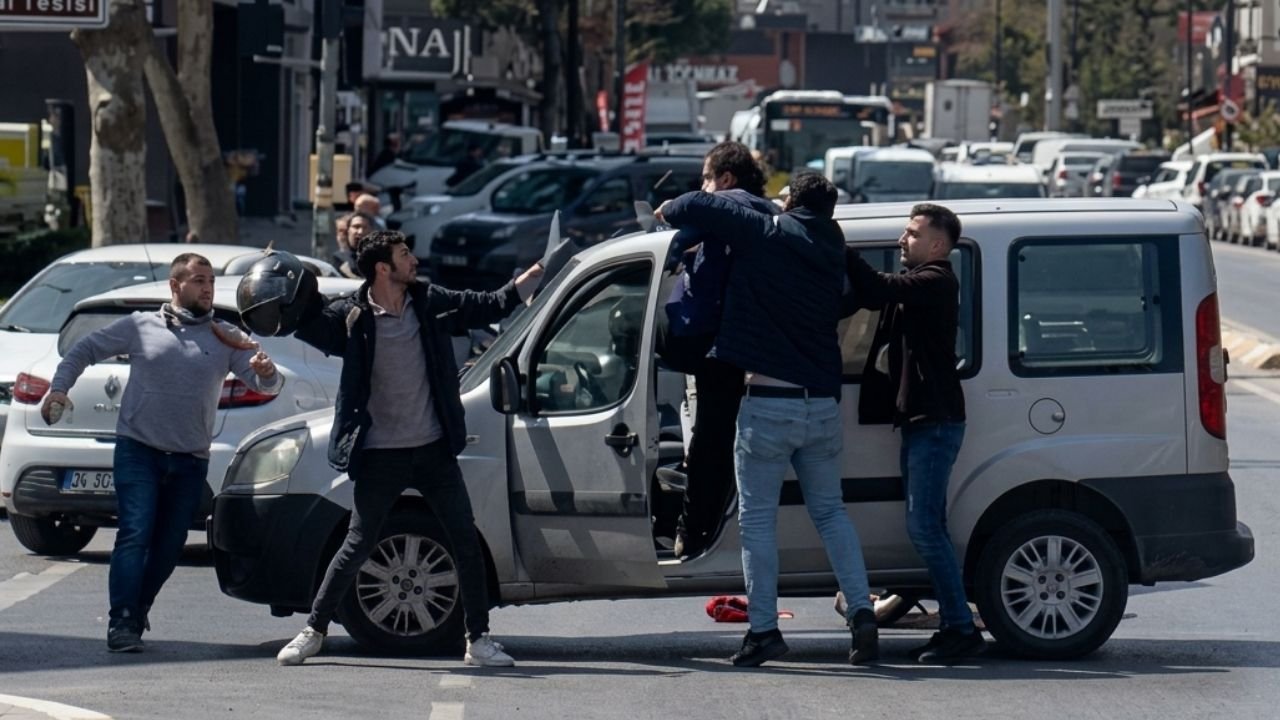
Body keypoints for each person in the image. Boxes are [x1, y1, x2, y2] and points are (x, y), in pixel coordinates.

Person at [275, 230, 544, 668]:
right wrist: (286, 285)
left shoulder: (429, 302)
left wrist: (534, 276)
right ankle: (314, 631)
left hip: (434, 451)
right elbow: (302, 321)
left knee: (464, 541)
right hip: (381, 454)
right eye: (404, 255)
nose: (414, 260)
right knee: (357, 543)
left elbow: (488, 304)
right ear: (383, 268)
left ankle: (478, 640)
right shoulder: (351, 316)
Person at [657, 173, 879, 668]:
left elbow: (695, 204)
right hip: (822, 403)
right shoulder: (834, 251)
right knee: (831, 513)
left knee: (757, 521)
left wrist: (667, 210)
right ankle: (862, 613)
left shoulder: (767, 232)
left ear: (791, 202)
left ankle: (763, 631)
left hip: (769, 402)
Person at [41, 254, 281, 653]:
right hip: (139, 450)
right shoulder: (141, 326)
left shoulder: (226, 336)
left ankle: (138, 608)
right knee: (135, 533)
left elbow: (266, 384)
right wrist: (59, 389)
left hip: (190, 459)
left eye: (210, 281)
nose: (207, 288)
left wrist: (267, 371)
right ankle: (122, 621)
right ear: (175, 286)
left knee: (169, 546)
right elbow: (83, 349)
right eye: (198, 280)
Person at [843, 203, 984, 664]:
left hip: (936, 422)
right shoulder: (920, 282)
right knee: (929, 526)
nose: (903, 239)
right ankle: (954, 624)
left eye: (912, 233)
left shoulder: (936, 281)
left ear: (938, 245)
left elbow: (877, 287)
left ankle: (960, 628)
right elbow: (871, 297)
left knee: (924, 528)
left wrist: (837, 245)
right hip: (923, 420)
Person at [658, 141, 777, 560]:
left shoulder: (725, 206)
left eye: (706, 178)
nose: (703, 186)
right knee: (718, 438)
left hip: (711, 342)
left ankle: (693, 534)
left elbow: (674, 238)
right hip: (742, 344)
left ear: (725, 179)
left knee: (710, 442)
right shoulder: (766, 214)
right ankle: (701, 528)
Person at [332, 214, 360, 279]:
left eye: (345, 231)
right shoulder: (336, 257)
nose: (342, 235)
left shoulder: (359, 255)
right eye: (340, 231)